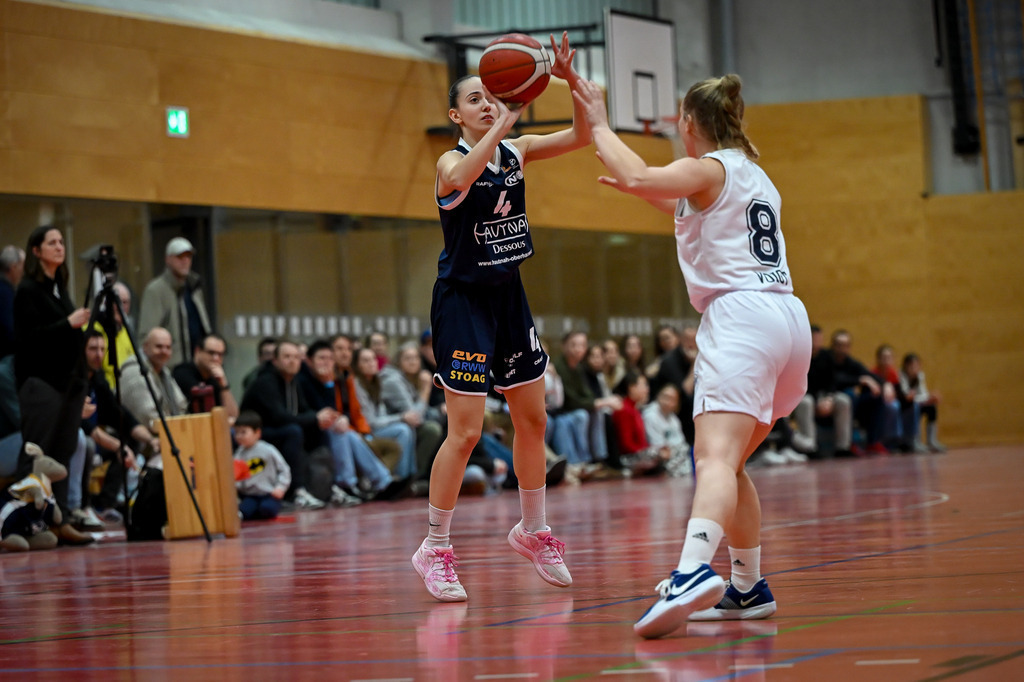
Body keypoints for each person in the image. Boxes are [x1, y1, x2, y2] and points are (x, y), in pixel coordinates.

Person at [576, 73, 812, 637]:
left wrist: (600, 124)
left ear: (687, 123)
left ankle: (690, 572)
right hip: (788, 321)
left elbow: (641, 174)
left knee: (712, 459)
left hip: (742, 320)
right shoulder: (752, 174)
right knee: (731, 464)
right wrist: (639, 187)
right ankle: (747, 586)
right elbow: (685, 205)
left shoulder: (709, 167)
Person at [411, 31, 590, 603]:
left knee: (533, 420)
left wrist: (569, 81)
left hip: (509, 294)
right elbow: (459, 179)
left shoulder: (517, 149)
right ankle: (434, 546)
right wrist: (503, 125)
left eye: (492, 96)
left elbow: (584, 135)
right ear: (455, 115)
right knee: (464, 432)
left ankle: (533, 530)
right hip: (463, 302)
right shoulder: (450, 159)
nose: (487, 104)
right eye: (475, 99)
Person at [12, 225, 95, 546]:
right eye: (52, 243)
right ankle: (19, 523)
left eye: (61, 242)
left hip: (69, 383)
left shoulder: (59, 288)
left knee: (62, 453)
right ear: (36, 251)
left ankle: (58, 520)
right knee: (36, 453)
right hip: (42, 383)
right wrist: (67, 323)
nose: (60, 247)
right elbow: (28, 340)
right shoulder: (28, 290)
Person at [239, 339, 335, 510]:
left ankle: (328, 487)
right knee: (293, 431)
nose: (292, 361)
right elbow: (279, 417)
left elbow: (304, 410)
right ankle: (295, 492)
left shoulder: (293, 381)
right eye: (287, 357)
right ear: (275, 360)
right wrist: (314, 418)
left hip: (278, 429)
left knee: (319, 430)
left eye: (296, 357)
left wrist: (320, 418)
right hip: (255, 435)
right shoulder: (266, 381)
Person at [138, 237, 211, 366]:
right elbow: (146, 336)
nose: (185, 261)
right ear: (168, 259)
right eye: (179, 257)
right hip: (172, 366)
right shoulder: (155, 290)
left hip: (197, 364)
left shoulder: (194, 287)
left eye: (188, 257)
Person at [119, 327, 188, 434]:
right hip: (134, 438)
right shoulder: (135, 371)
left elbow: (181, 405)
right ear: (145, 347)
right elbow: (148, 417)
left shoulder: (163, 370)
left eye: (168, 347)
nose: (164, 351)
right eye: (158, 346)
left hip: (164, 432)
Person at [233, 411, 291, 520]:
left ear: (257, 433)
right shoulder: (238, 454)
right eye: (237, 433)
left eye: (243, 432)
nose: (239, 436)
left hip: (269, 494)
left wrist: (280, 487)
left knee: (267, 509)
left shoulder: (268, 450)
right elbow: (236, 476)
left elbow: (284, 469)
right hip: (250, 495)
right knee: (244, 511)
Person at [172, 333, 240, 421]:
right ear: (197, 351)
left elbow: (233, 416)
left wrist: (224, 385)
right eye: (211, 353)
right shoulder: (182, 372)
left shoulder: (215, 379)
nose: (216, 358)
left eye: (220, 354)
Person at [899, 352, 945, 453]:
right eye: (911, 366)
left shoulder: (920, 375)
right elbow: (906, 395)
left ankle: (931, 440)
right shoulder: (901, 376)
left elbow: (923, 393)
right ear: (905, 366)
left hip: (916, 402)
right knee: (915, 408)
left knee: (931, 407)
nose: (914, 369)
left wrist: (930, 398)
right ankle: (916, 440)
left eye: (916, 366)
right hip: (904, 406)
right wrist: (923, 398)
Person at [0, 245, 25, 359]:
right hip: (5, 357)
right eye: (22, 266)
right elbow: (10, 329)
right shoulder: (5, 293)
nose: (23, 272)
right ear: (14, 267)